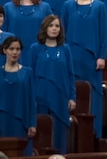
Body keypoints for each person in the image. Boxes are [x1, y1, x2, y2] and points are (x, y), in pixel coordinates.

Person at [61, 0, 107, 138]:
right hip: (72, 54)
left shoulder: (100, 6)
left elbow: (103, 33)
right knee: (72, 90)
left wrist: (102, 56)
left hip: (93, 57)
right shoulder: (67, 6)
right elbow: (63, 31)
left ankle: (94, 132)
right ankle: (72, 133)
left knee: (93, 92)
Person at [29, 15, 75, 154]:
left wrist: (72, 97)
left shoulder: (65, 49)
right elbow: (30, 75)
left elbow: (70, 74)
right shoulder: (35, 48)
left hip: (61, 96)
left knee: (60, 131)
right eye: (51, 26)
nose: (54, 29)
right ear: (45, 28)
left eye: (57, 26)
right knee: (43, 130)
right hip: (40, 96)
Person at [0, 36, 37, 156]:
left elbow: (32, 100)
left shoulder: (28, 72)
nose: (15, 52)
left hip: (22, 122)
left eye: (18, 49)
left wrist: (32, 124)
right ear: (5, 50)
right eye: (11, 49)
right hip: (2, 121)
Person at [3, 0, 52, 64]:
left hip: (39, 50)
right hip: (14, 52)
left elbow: (51, 31)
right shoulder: (8, 7)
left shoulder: (44, 7)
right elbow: (4, 32)